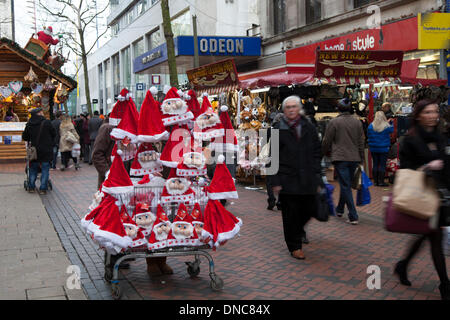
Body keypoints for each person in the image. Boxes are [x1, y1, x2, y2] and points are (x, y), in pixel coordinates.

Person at [394, 99, 450, 300]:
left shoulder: (441, 136)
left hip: (441, 195)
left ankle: (403, 265)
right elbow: (405, 170)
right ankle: (445, 284)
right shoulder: (410, 139)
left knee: (427, 234)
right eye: (428, 112)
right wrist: (428, 167)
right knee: (434, 237)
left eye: (435, 111)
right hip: (423, 194)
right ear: (418, 115)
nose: (433, 115)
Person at [271, 96, 322, 260]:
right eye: (288, 107)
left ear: (299, 108)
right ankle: (294, 246)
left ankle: (297, 230)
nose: (291, 109)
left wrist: (318, 175)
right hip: (288, 178)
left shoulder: (309, 127)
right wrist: (275, 181)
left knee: (310, 209)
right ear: (284, 110)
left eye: (294, 106)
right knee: (290, 214)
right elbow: (273, 157)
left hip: (307, 177)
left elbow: (316, 152)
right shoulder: (278, 129)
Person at [322, 98, 365, 225]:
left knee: (345, 185)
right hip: (354, 157)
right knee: (345, 184)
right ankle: (340, 209)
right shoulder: (357, 123)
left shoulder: (334, 122)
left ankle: (353, 215)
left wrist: (321, 154)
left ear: (338, 109)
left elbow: (326, 141)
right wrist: (361, 158)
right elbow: (361, 142)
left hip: (340, 158)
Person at [22, 108, 56, 194]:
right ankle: (43, 189)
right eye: (41, 112)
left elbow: (25, 137)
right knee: (45, 169)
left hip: (34, 151)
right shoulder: (47, 122)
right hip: (46, 150)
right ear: (39, 113)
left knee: (33, 169)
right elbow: (54, 133)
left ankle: (31, 187)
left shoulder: (29, 124)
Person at [367, 111, 394, 186]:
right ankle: (381, 182)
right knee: (382, 164)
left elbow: (368, 135)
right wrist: (391, 123)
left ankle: (375, 181)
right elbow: (392, 130)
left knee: (375, 164)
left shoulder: (370, 126)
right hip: (384, 148)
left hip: (373, 148)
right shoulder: (386, 126)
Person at [92, 121, 115, 189]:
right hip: (109, 182)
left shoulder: (131, 129)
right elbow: (97, 154)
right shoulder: (108, 128)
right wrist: (107, 172)